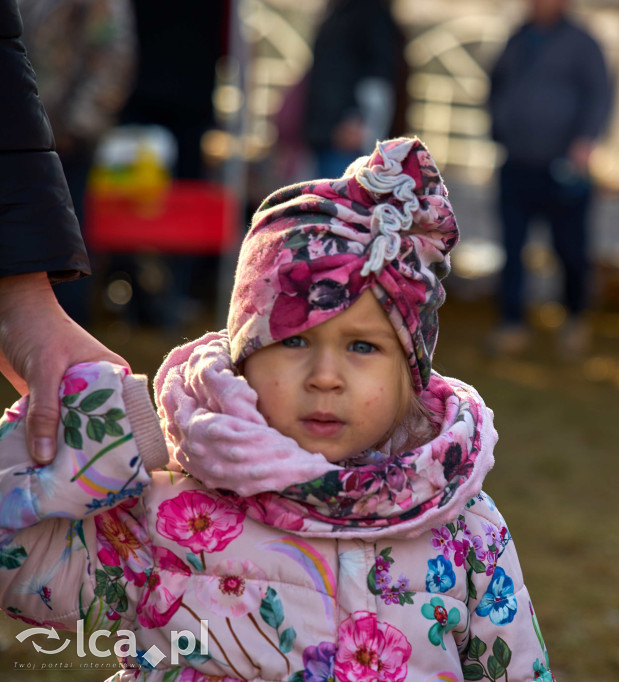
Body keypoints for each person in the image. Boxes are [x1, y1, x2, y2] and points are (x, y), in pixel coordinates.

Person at [0, 137, 555, 682]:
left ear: (410, 372)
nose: (325, 377)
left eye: (363, 346)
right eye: (292, 341)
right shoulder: (170, 510)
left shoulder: (464, 529)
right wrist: (93, 433)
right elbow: (27, 577)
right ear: (242, 361)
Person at [0, 0, 126, 466]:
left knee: (62, 270)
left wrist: (77, 124)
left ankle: (72, 391)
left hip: (57, 144)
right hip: (30, 149)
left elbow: (112, 55)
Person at [487, 0, 613, 356]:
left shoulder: (583, 43)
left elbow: (601, 94)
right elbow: (496, 84)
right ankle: (511, 323)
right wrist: (499, 126)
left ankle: (574, 319)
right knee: (512, 248)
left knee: (570, 249)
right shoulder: (517, 39)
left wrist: (586, 140)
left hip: (564, 168)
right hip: (517, 163)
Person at [17, 0, 136, 327]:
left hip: (64, 144)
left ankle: (66, 332)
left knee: (64, 242)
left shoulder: (102, 5)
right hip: (19, 137)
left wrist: (75, 127)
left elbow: (114, 59)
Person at [304, 0, 402, 179]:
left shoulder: (369, 14)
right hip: (326, 132)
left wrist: (361, 121)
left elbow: (378, 78)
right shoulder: (342, 11)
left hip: (346, 137)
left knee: (344, 197)